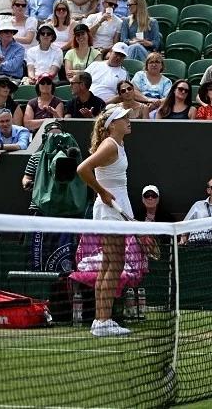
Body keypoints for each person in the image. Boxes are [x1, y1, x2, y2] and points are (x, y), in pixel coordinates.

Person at [76, 105, 133, 337]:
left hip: (115, 206)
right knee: (115, 263)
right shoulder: (109, 144)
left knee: (109, 263)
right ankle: (103, 320)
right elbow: (83, 168)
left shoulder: (117, 144)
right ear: (111, 125)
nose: (129, 120)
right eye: (124, 118)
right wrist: (101, 191)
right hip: (109, 207)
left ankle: (100, 320)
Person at [182, 176, 212, 245]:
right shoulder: (198, 205)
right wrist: (183, 242)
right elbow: (184, 227)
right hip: (196, 245)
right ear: (208, 190)